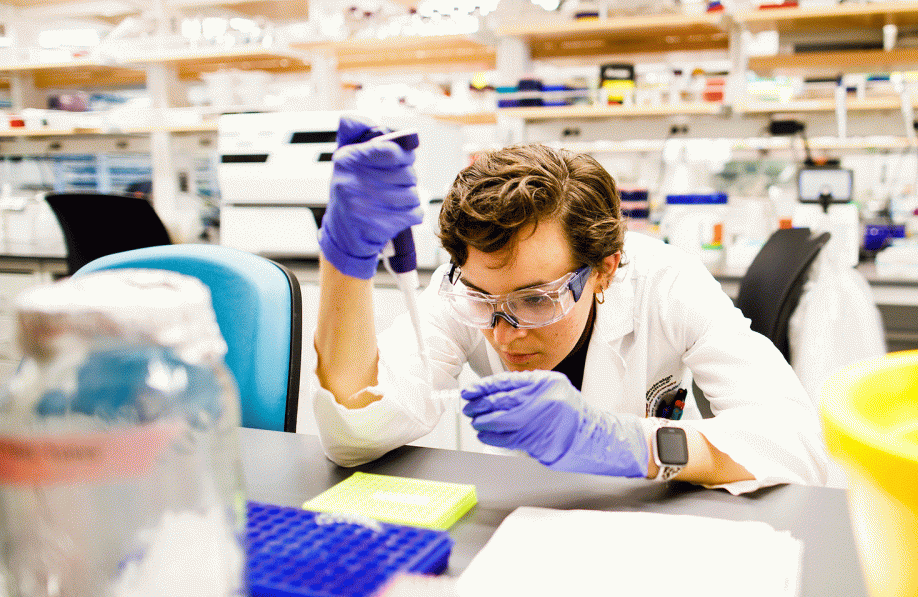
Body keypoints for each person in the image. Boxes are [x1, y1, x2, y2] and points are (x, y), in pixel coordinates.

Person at [312, 116, 842, 494]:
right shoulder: (467, 287)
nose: (505, 332)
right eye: (484, 300)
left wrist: (633, 445)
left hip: (653, 525)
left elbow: (797, 445)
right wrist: (345, 262)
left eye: (537, 299)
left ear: (605, 269)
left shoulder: (667, 282)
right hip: (525, 519)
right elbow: (356, 432)